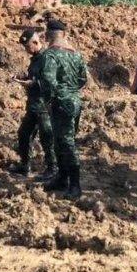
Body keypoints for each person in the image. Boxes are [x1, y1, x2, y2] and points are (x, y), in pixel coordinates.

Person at [38, 19, 89, 199]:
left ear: (46, 36)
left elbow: (48, 81)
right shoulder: (76, 54)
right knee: (62, 141)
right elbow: (84, 79)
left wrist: (51, 99)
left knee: (66, 143)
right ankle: (62, 178)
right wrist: (71, 90)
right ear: (64, 35)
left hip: (60, 104)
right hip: (75, 101)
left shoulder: (49, 55)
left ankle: (75, 185)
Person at [13, 27, 56, 180]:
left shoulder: (47, 58)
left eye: (28, 46)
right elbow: (35, 76)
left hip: (44, 106)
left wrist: (31, 83)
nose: (26, 50)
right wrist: (24, 76)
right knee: (23, 134)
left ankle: (52, 168)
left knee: (47, 137)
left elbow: (49, 82)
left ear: (36, 42)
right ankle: (25, 165)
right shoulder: (36, 59)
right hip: (33, 106)